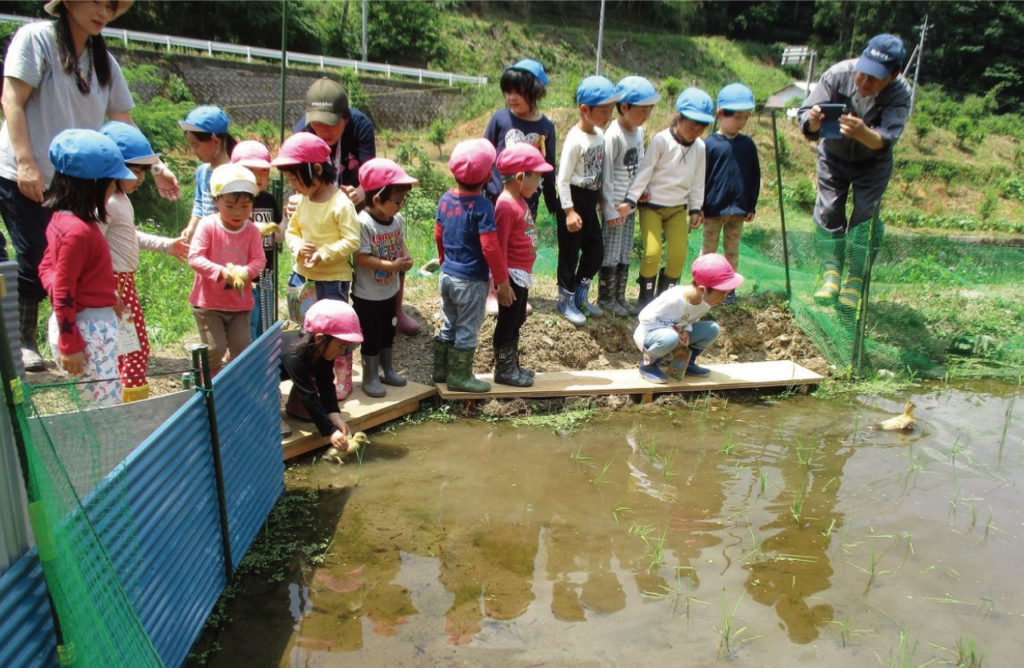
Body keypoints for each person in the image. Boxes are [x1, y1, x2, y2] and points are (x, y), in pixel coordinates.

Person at [0, 0, 179, 372]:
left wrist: (156, 165)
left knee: (73, 260)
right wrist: (25, 162)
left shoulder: (104, 61)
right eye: (97, 1)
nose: (104, 11)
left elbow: (122, 119)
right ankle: (26, 339)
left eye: (111, 5)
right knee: (35, 255)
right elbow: (12, 100)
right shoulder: (36, 39)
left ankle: (70, 334)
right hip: (26, 171)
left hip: (74, 183)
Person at [798, 33, 910, 310]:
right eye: (863, 73)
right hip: (833, 156)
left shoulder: (901, 93)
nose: (863, 81)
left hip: (872, 163)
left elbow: (886, 139)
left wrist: (864, 133)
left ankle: (855, 280)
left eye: (874, 78)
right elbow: (804, 119)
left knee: (863, 220)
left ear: (893, 75)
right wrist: (812, 121)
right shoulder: (837, 75)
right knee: (829, 211)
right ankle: (831, 275)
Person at [37, 129, 135, 406]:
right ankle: (109, 450)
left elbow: (48, 268)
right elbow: (65, 288)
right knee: (103, 408)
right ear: (93, 185)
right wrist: (70, 344)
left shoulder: (61, 221)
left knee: (98, 401)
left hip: (85, 323)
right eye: (112, 185)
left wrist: (104, 295)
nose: (113, 192)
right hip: (88, 331)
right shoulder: (78, 232)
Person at [99, 121, 188, 403]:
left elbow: (129, 236)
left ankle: (127, 399)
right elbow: (93, 246)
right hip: (113, 284)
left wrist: (167, 246)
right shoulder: (108, 202)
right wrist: (107, 288)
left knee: (130, 346)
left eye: (142, 172)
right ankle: (128, 404)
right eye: (133, 171)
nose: (139, 179)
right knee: (132, 348)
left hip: (124, 281)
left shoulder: (120, 198)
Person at [273, 132, 360, 399]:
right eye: (289, 180)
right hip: (303, 279)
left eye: (296, 179)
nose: (294, 186)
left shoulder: (340, 203)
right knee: (306, 331)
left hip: (332, 279)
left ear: (317, 169)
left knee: (336, 331)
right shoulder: (300, 202)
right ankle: (311, 375)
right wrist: (298, 246)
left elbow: (352, 240)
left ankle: (342, 376)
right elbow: (291, 232)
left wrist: (324, 253)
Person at [622, 87, 713, 308]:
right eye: (692, 124)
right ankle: (645, 297)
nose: (696, 130)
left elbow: (697, 180)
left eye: (701, 126)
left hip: (677, 209)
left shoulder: (700, 147)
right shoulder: (661, 141)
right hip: (652, 206)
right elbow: (645, 171)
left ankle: (665, 299)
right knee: (652, 252)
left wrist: (695, 208)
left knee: (678, 255)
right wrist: (631, 199)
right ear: (679, 118)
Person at [482, 57, 559, 316]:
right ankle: (492, 292)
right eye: (507, 92)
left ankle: (515, 291)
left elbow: (548, 165)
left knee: (521, 245)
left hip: (529, 198)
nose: (512, 98)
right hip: (497, 195)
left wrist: (552, 200)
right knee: (496, 243)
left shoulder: (545, 127)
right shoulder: (500, 119)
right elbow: (485, 152)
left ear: (535, 93)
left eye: (518, 92)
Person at [432, 138, 505, 393]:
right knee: (467, 328)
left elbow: (438, 234)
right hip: (471, 281)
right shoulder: (483, 206)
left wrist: (444, 262)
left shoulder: (445, 199)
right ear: (487, 175)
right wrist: (501, 280)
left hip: (447, 276)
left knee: (449, 323)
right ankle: (460, 377)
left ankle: (441, 371)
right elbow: (490, 246)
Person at [187, 164, 266, 376]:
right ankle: (206, 384)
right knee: (215, 348)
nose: (238, 213)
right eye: (230, 206)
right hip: (209, 304)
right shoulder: (208, 225)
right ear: (216, 201)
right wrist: (222, 272)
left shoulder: (251, 231)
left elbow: (259, 260)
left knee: (242, 350)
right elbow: (194, 257)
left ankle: (233, 385)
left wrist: (245, 272)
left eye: (245, 206)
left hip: (239, 305)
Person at [555, 75, 620, 325]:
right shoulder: (575, 140)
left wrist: (602, 199)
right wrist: (569, 211)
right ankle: (565, 300)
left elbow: (598, 171)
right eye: (604, 111)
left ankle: (581, 295)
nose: (608, 116)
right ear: (585, 110)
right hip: (573, 199)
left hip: (591, 200)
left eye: (610, 111)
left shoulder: (599, 135)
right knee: (570, 254)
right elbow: (562, 179)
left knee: (595, 251)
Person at [352, 158, 416, 398]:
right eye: (397, 201)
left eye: (402, 200)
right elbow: (362, 258)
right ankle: (370, 375)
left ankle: (387, 368)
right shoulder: (364, 223)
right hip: (368, 294)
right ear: (377, 199)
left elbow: (400, 243)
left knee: (388, 330)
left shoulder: (395, 220)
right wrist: (391, 265)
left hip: (389, 290)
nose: (400, 206)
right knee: (371, 333)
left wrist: (406, 257)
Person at [492, 143, 553, 387]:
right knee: (507, 322)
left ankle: (512, 365)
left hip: (522, 274)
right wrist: (502, 283)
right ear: (520, 177)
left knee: (517, 320)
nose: (539, 184)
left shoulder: (520, 199)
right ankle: (504, 369)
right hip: (511, 276)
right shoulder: (506, 205)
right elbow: (498, 246)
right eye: (537, 178)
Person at [599, 75, 660, 316]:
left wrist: (641, 191)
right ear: (624, 107)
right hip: (615, 206)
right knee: (611, 252)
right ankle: (606, 298)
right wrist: (610, 208)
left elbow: (642, 165)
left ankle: (620, 297)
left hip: (630, 205)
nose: (646, 116)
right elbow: (607, 176)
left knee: (625, 251)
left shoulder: (638, 131)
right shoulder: (613, 135)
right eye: (642, 110)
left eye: (649, 110)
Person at [634, 253, 744, 384]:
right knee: (670, 337)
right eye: (722, 293)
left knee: (712, 329)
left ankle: (686, 364)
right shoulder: (673, 298)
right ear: (703, 289)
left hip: (674, 335)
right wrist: (674, 332)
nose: (724, 298)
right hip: (650, 336)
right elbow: (645, 317)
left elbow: (689, 319)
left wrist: (686, 330)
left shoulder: (704, 303)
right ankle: (648, 365)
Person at [701, 82, 760, 305]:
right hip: (713, 209)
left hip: (738, 210)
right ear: (720, 114)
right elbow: (701, 178)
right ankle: (705, 287)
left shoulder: (748, 145)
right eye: (737, 117)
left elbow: (755, 177)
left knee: (732, 252)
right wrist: (700, 206)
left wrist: (751, 205)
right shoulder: (709, 144)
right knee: (709, 252)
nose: (741, 122)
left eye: (745, 117)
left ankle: (728, 291)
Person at [280, 299, 363, 456]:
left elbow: (325, 382)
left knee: (312, 378)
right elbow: (308, 394)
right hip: (255, 378)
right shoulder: (294, 354)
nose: (342, 351)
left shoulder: (321, 349)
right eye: (340, 345)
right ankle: (268, 418)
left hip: (289, 373)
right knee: (272, 389)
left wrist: (334, 415)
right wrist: (330, 431)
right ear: (319, 338)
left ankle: (294, 407)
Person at [230, 140, 280, 339]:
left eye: (264, 171)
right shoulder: (232, 202)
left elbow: (280, 230)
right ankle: (247, 364)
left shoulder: (269, 200)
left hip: (265, 273)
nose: (258, 177)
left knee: (265, 325)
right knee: (246, 326)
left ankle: (263, 362)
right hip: (242, 276)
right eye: (251, 170)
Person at [180, 105, 235, 244]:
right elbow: (199, 203)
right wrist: (192, 226)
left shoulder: (235, 172)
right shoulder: (202, 171)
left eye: (196, 145)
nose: (194, 151)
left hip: (229, 242)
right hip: (208, 241)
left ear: (215, 141)